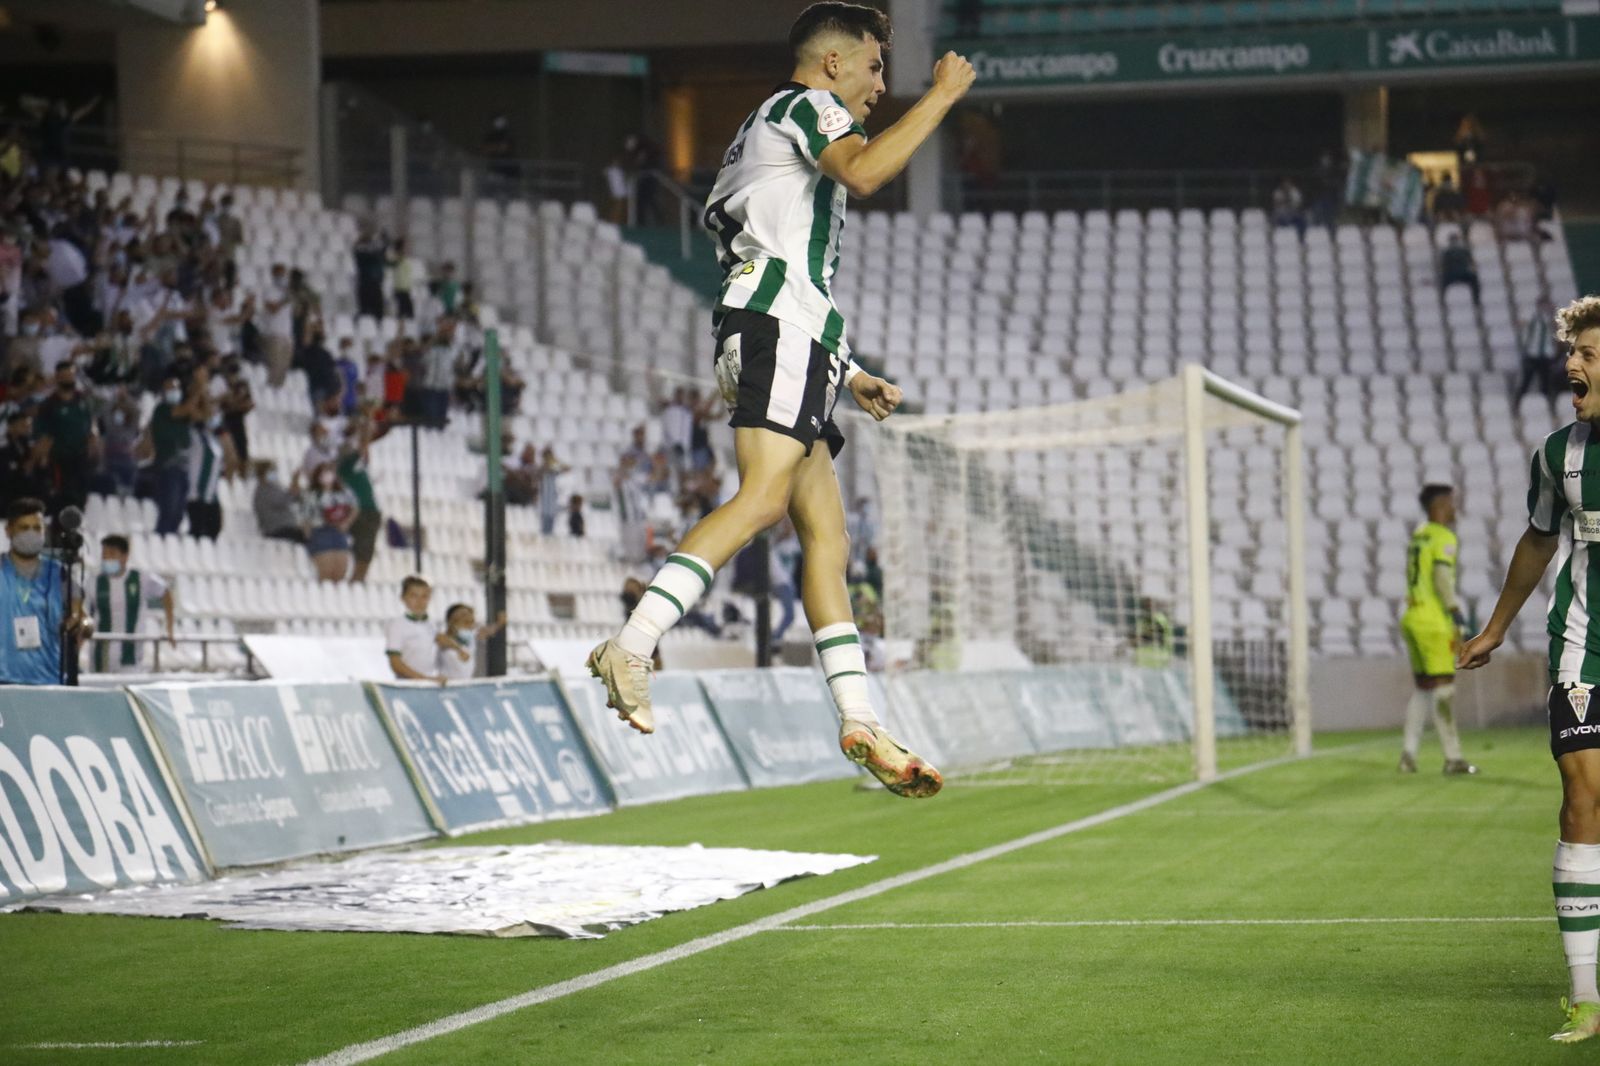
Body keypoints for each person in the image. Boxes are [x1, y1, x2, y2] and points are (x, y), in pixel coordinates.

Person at [588, 2, 973, 798]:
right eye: (874, 67)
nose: (879, 86)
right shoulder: (806, 105)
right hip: (776, 334)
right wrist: (937, 98)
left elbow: (777, 252)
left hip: (787, 336)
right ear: (832, 62)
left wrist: (848, 365)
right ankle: (632, 641)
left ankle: (860, 717)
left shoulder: (760, 132)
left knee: (825, 538)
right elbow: (864, 174)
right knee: (762, 502)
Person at [1458, 296, 1600, 1043]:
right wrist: (1493, 629)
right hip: (1585, 644)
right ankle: (1587, 994)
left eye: (1587, 355)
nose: (1571, 365)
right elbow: (1539, 542)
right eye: (1571, 354)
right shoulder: (1557, 454)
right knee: (1583, 794)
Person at [1397, 484, 1475, 775]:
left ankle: (1408, 754)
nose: (1455, 509)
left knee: (1423, 689)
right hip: (1433, 621)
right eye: (1451, 503)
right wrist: (1456, 613)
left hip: (1411, 617)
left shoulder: (1418, 536)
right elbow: (1442, 577)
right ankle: (1453, 758)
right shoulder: (1443, 536)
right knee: (1444, 690)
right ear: (1439, 505)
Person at [0, 498, 88, 685]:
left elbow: (81, 616)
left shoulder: (59, 572)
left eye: (36, 528)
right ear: (8, 530)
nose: (31, 533)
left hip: (49, 680)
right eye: (24, 528)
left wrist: (82, 624)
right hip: (4, 680)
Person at [90, 534, 174, 673]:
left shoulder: (140, 578)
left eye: (111, 554)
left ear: (124, 556)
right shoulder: (94, 581)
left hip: (130, 657)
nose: (106, 558)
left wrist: (169, 627)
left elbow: (165, 593)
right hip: (100, 655)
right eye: (104, 554)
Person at [304, 461, 357, 582]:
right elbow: (305, 516)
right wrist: (308, 534)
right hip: (320, 531)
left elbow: (355, 506)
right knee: (326, 573)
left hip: (338, 531)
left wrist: (347, 522)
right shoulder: (312, 494)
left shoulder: (343, 492)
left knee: (340, 571)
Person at [385, 575, 443, 682]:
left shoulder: (431, 623)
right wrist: (425, 679)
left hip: (430, 684)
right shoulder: (397, 625)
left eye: (424, 596)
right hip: (408, 685)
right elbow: (395, 663)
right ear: (403, 598)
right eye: (414, 596)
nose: (419, 601)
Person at [437, 603, 507, 681]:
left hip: (466, 683)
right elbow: (441, 639)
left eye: (469, 618)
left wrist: (499, 623)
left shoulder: (471, 637)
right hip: (447, 685)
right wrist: (459, 650)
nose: (466, 618)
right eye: (462, 617)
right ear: (451, 621)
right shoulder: (444, 637)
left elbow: (487, 631)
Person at [1518, 293, 1560, 399]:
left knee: (1545, 382)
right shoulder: (1533, 316)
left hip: (1546, 355)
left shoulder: (1552, 318)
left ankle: (1547, 405)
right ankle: (1518, 404)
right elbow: (1521, 324)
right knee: (1526, 381)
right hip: (1532, 353)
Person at [252, 460, 305, 544]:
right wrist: (294, 483)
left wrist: (295, 487)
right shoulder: (264, 491)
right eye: (271, 471)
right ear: (262, 474)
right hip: (277, 530)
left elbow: (295, 498)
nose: (274, 473)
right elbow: (283, 500)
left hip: (286, 528)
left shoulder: (274, 487)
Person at [1439, 233, 1480, 308]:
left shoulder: (1447, 251)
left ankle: (1442, 301)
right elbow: (1472, 262)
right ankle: (1476, 300)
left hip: (1451, 274)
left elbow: (1443, 265)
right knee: (1474, 280)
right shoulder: (1463, 250)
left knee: (1442, 283)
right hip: (1463, 274)